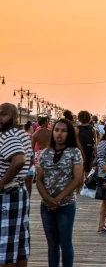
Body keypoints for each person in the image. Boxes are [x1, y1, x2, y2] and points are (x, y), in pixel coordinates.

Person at [36, 118, 83, 267]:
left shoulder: (74, 152)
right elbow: (39, 179)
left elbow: (76, 179)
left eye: (63, 131)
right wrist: (47, 198)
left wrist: (58, 200)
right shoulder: (45, 153)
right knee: (52, 245)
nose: (59, 134)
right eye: (56, 130)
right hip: (46, 205)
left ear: (69, 134)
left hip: (66, 205)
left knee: (65, 243)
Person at [0, 104, 32, 267]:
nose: (0, 117)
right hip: (18, 191)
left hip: (8, 193)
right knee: (19, 243)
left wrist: (1, 183)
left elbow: (19, 159)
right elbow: (28, 160)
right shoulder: (22, 134)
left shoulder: (8, 135)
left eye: (3, 114)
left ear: (14, 118)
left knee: (5, 246)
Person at [76, 111, 97, 180]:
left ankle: (80, 181)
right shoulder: (92, 129)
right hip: (90, 149)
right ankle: (87, 180)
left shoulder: (77, 129)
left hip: (80, 149)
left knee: (80, 165)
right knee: (88, 166)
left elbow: (74, 139)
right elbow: (95, 140)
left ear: (79, 118)